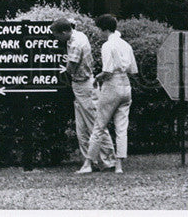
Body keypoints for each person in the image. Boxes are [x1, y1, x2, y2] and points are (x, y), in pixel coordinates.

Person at [51, 17, 116, 170]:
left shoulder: (75, 43)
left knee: (95, 124)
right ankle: (91, 161)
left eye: (57, 35)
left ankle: (109, 160)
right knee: (82, 128)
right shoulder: (80, 36)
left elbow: (71, 67)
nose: (57, 39)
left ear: (65, 32)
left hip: (84, 85)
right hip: (81, 85)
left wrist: (64, 69)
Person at [77, 13, 138, 175]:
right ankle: (118, 166)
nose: (99, 33)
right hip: (126, 86)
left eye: (99, 30)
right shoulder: (126, 44)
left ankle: (88, 163)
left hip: (112, 85)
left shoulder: (107, 46)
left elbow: (107, 70)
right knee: (121, 128)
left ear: (104, 29)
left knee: (99, 125)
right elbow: (133, 70)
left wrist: (98, 78)